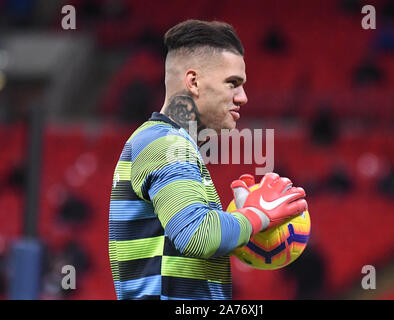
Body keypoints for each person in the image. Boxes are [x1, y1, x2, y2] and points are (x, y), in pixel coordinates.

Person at [108, 19, 308, 300]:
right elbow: (198, 235)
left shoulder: (166, 143)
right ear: (193, 82)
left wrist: (240, 223)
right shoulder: (166, 144)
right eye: (232, 84)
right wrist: (257, 216)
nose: (243, 97)